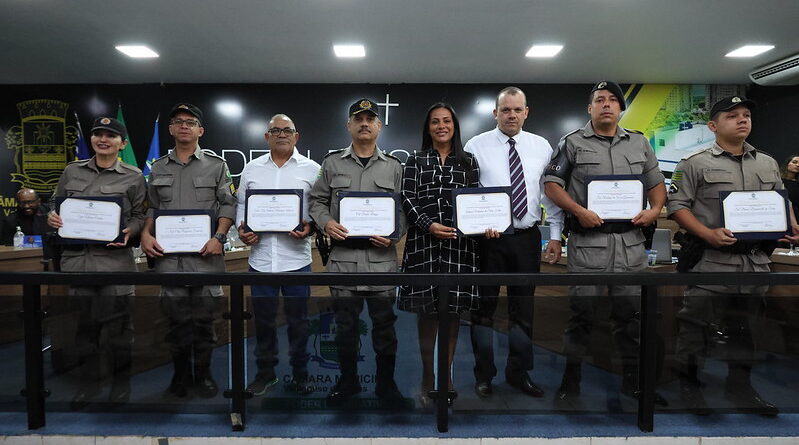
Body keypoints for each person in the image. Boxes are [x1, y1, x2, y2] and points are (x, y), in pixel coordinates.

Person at [667, 96, 798, 416]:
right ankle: (689, 386)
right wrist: (707, 233)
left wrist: (791, 222)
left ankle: (740, 387)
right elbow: (677, 207)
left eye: (746, 115)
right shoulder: (693, 162)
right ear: (713, 126)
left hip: (754, 262)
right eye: (732, 116)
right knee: (695, 327)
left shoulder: (767, 163)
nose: (742, 120)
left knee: (746, 327)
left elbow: (779, 202)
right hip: (711, 259)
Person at [543, 81, 667, 405]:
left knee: (631, 319)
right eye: (600, 100)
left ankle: (633, 383)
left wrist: (653, 211)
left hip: (630, 245)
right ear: (590, 108)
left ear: (621, 108)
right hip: (588, 246)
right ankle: (571, 383)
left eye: (613, 100)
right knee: (581, 318)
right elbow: (552, 184)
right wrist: (578, 211)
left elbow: (656, 185)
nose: (607, 105)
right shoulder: (572, 143)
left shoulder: (639, 144)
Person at [464, 87, 564, 399]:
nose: (511, 115)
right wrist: (480, 225)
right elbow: (468, 195)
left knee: (524, 310)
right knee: (484, 309)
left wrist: (557, 236)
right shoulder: (475, 145)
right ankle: (484, 375)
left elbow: (551, 194)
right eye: (505, 110)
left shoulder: (541, 146)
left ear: (526, 112)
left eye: (517, 110)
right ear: (495, 113)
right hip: (488, 241)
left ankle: (519, 373)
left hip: (527, 237)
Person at [309, 98, 406, 407]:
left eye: (370, 119)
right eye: (358, 119)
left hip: (381, 264)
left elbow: (404, 209)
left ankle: (386, 385)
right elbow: (316, 202)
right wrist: (327, 224)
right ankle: (347, 381)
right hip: (343, 263)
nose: (364, 123)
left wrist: (393, 234)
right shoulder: (332, 163)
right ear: (348, 125)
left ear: (379, 125)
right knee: (345, 330)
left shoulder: (394, 166)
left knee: (385, 330)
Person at [46, 117, 146, 409]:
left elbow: (141, 216)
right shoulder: (72, 171)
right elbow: (57, 206)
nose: (104, 140)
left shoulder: (134, 175)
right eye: (98, 135)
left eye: (111, 136)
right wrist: (53, 219)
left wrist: (133, 230)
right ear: (91, 140)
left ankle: (120, 385)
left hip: (116, 265)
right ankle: (89, 386)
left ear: (122, 144)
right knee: (85, 332)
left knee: (119, 333)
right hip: (79, 264)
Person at [140, 103, 237, 399]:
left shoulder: (217, 165)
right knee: (176, 322)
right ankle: (180, 375)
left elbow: (228, 205)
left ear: (200, 130)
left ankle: (204, 374)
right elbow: (151, 209)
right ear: (171, 129)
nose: (184, 126)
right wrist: (145, 234)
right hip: (170, 261)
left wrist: (219, 237)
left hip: (206, 259)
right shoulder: (157, 168)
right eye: (178, 121)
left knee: (205, 322)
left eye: (190, 122)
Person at [398, 103, 481, 408]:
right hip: (423, 245)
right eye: (435, 122)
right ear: (428, 127)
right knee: (427, 314)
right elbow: (406, 198)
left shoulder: (468, 161)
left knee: (453, 314)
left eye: (447, 121)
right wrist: (428, 224)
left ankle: (445, 377)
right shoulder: (416, 160)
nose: (441, 126)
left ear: (455, 126)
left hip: (460, 247)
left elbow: (476, 199)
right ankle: (426, 376)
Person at [236, 114, 320, 396]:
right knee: (263, 323)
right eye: (275, 130)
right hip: (260, 262)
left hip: (297, 260)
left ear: (297, 136)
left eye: (287, 130)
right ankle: (265, 373)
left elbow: (319, 208)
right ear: (266, 137)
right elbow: (241, 208)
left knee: (299, 323)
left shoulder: (312, 169)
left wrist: (310, 227)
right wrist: (242, 229)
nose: (282, 134)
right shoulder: (251, 169)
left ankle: (300, 374)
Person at [780, 154, 799, 221]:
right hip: (783, 216)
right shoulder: (778, 181)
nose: (797, 165)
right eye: (794, 162)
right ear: (787, 164)